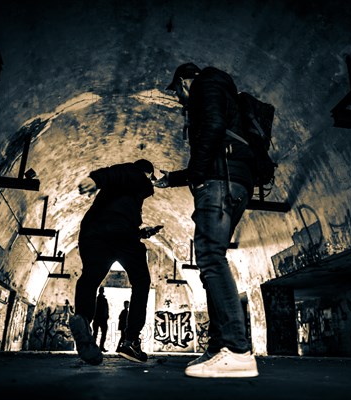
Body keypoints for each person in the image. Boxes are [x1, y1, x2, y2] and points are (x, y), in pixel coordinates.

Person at [155, 62, 259, 378]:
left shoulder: (206, 85)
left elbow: (213, 125)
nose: (179, 97)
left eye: (177, 90)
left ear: (186, 81)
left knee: (211, 258)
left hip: (219, 181)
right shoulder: (222, 92)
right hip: (234, 180)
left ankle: (237, 351)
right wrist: (172, 179)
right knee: (211, 264)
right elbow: (217, 138)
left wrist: (198, 175)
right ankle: (218, 348)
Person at [69, 159, 160, 365]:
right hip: (121, 235)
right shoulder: (134, 172)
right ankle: (130, 340)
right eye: (150, 177)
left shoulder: (124, 193)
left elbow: (118, 214)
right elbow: (117, 172)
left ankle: (82, 319)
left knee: (91, 276)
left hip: (94, 233)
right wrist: (95, 179)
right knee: (141, 281)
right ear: (147, 173)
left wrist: (142, 233)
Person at [92, 287, 109, 352]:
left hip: (100, 319)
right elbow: (106, 309)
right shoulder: (101, 300)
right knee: (97, 333)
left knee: (97, 333)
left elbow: (106, 309)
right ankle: (100, 347)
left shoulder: (98, 300)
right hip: (100, 319)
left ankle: (99, 347)